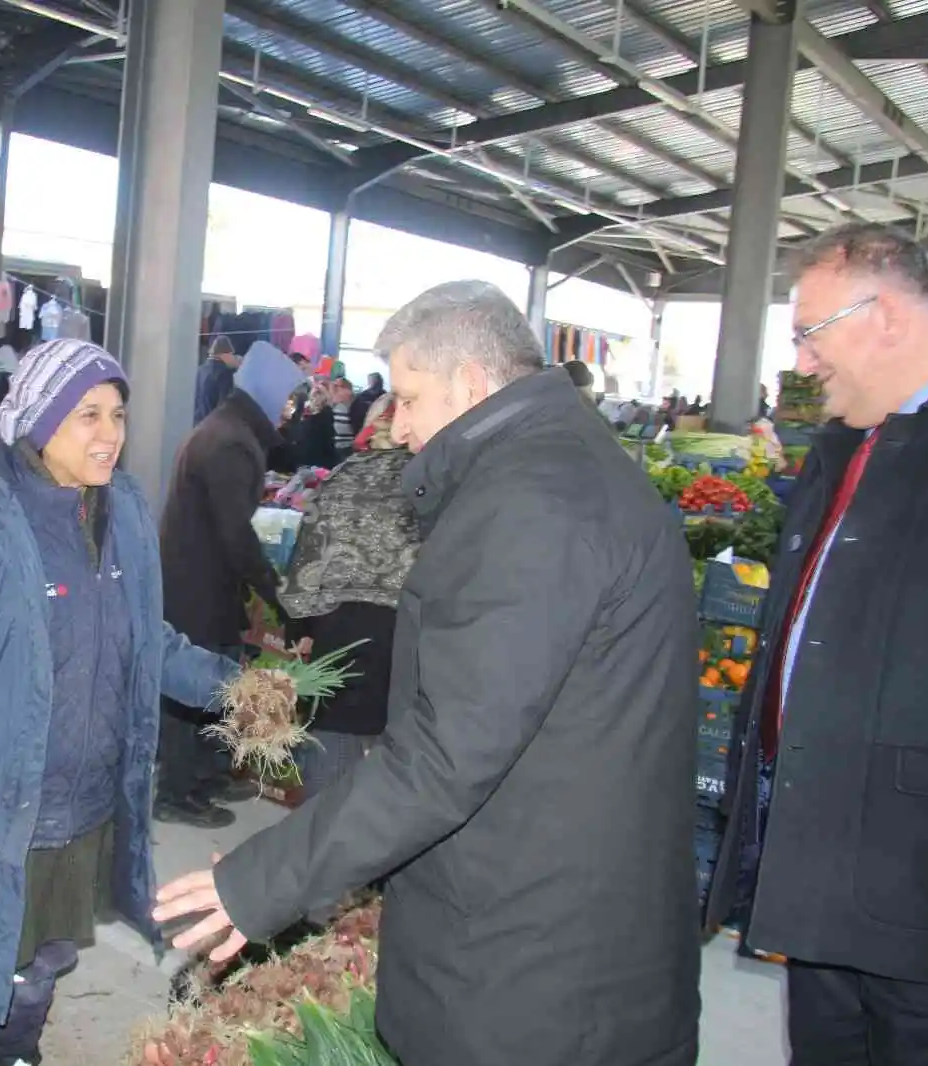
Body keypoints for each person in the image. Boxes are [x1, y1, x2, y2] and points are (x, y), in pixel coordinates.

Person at [154, 280, 702, 1066]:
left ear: (471, 384)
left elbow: (449, 753)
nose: (399, 427)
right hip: (563, 920)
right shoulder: (563, 469)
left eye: (409, 398)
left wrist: (262, 881)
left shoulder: (534, 503)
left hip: (539, 958)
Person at [0, 339, 240, 1066]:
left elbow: (145, 639)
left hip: (78, 811)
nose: (110, 433)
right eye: (87, 414)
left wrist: (237, 689)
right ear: (39, 418)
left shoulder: (121, 506)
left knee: (40, 968)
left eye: (117, 414)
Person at [705, 222, 928, 1066]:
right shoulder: (851, 437)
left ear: (883, 314)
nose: (802, 364)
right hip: (819, 852)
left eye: (810, 334)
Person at [158, 340, 306, 827]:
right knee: (193, 685)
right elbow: (234, 534)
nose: (289, 409)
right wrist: (274, 593)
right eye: (285, 397)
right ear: (264, 393)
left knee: (217, 678)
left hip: (200, 580)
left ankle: (207, 774)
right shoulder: (231, 442)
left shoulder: (228, 429)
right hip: (198, 584)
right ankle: (177, 792)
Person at [279, 392, 417, 800]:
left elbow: (306, 562)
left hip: (339, 634)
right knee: (399, 766)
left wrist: (298, 629)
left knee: (331, 753)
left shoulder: (341, 477)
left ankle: (318, 855)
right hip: (405, 635)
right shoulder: (428, 484)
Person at [193, 335, 239, 424]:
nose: (232, 357)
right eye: (231, 354)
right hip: (213, 425)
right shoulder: (225, 374)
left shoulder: (200, 370)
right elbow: (224, 405)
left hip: (198, 423)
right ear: (224, 354)